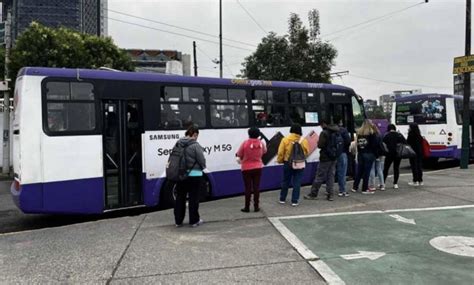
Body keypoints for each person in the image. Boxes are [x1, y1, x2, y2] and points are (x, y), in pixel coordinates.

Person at [174, 125, 207, 227]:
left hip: (181, 175)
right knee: (193, 199)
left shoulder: (178, 143)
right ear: (195, 134)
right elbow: (201, 160)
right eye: (197, 135)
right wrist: (203, 166)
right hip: (194, 175)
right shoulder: (195, 145)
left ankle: (178, 221)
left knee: (180, 198)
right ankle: (194, 221)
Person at [304, 120, 341, 201]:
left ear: (324, 124)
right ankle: (330, 195)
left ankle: (313, 194)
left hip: (325, 157)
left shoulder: (324, 133)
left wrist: (318, 142)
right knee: (331, 176)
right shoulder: (337, 131)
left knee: (320, 176)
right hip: (334, 157)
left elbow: (320, 145)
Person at [277, 124, 310, 206]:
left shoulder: (285, 139)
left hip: (287, 162)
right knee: (297, 182)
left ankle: (282, 199)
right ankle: (294, 201)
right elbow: (307, 152)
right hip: (299, 163)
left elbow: (281, 152)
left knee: (286, 181)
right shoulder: (303, 140)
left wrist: (280, 161)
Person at [236, 127, 267, 212]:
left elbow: (239, 154)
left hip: (246, 168)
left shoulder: (245, 143)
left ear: (249, 134)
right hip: (258, 168)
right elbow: (264, 151)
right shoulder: (261, 143)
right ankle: (256, 207)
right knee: (256, 188)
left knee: (248, 188)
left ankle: (247, 207)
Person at [352, 120, 378, 194]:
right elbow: (374, 145)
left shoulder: (359, 133)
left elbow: (357, 145)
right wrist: (375, 155)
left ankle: (355, 187)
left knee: (359, 171)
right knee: (366, 172)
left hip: (361, 154)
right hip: (369, 154)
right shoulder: (371, 133)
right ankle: (365, 188)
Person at [382, 124, 406, 189]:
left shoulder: (386, 135)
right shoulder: (399, 135)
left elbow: (383, 144)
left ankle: (383, 183)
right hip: (398, 154)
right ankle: (395, 183)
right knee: (396, 168)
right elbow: (405, 142)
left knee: (386, 168)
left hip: (389, 154)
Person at [335, 118, 352, 197]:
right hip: (342, 153)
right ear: (340, 122)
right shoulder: (343, 130)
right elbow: (348, 141)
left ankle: (329, 190)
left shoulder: (330, 130)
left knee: (332, 172)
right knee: (342, 172)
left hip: (333, 154)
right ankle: (342, 190)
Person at [369, 123, 385, 191]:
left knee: (372, 169)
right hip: (380, 154)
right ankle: (382, 185)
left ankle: (372, 185)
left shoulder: (371, 136)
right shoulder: (379, 135)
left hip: (373, 154)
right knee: (379, 169)